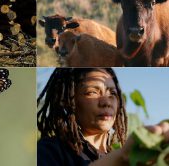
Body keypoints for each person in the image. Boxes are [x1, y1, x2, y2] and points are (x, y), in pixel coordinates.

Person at [37, 68, 169, 166]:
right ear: (68, 101)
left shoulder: (128, 155)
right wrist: (122, 156)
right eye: (92, 92)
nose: (106, 102)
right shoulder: (50, 151)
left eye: (112, 93)